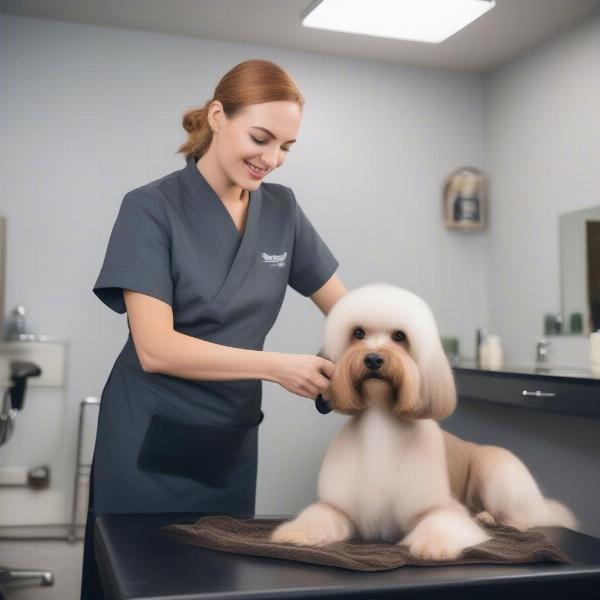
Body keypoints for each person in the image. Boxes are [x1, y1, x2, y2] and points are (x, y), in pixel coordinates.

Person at [80, 58, 348, 599]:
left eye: (287, 147)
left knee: (218, 584)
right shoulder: (150, 207)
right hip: (147, 440)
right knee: (138, 581)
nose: (272, 159)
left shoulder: (282, 210)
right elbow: (155, 348)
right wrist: (279, 367)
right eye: (261, 137)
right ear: (218, 115)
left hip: (228, 444)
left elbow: (347, 309)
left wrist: (380, 347)